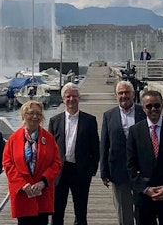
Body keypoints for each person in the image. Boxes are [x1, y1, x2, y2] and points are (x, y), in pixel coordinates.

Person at [126, 90, 163, 225]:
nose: (153, 109)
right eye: (149, 106)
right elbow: (130, 165)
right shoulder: (135, 131)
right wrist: (146, 189)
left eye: (157, 105)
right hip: (144, 196)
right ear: (143, 108)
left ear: (162, 105)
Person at [4, 100, 62, 225]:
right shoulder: (14, 139)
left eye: (38, 114)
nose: (35, 117)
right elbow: (8, 164)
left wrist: (43, 182)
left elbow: (56, 163)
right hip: (23, 194)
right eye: (31, 113)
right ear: (24, 115)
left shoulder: (48, 138)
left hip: (42, 193)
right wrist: (21, 184)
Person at [49, 83, 99, 225]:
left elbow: (95, 147)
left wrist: (91, 170)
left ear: (79, 98)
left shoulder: (90, 120)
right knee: (57, 211)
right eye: (68, 96)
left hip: (81, 171)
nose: (71, 99)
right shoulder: (55, 121)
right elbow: (50, 149)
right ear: (63, 99)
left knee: (81, 212)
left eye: (74, 96)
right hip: (60, 171)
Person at [100, 80, 145, 225]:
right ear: (116, 96)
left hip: (142, 169)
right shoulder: (109, 115)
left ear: (133, 94)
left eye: (127, 92)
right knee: (123, 211)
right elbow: (104, 144)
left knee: (143, 209)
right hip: (118, 169)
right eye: (120, 93)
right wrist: (104, 171)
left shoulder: (143, 112)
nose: (124, 96)